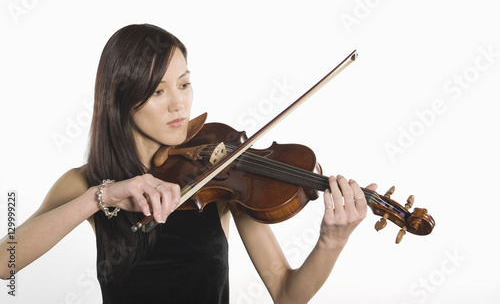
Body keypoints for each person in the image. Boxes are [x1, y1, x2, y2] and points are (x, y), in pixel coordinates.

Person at [0, 23, 377, 303]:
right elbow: (5, 263)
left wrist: (332, 240)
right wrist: (100, 198)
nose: (179, 104)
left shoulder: (225, 176)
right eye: (157, 91)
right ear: (120, 99)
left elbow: (285, 291)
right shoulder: (88, 183)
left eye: (183, 84)